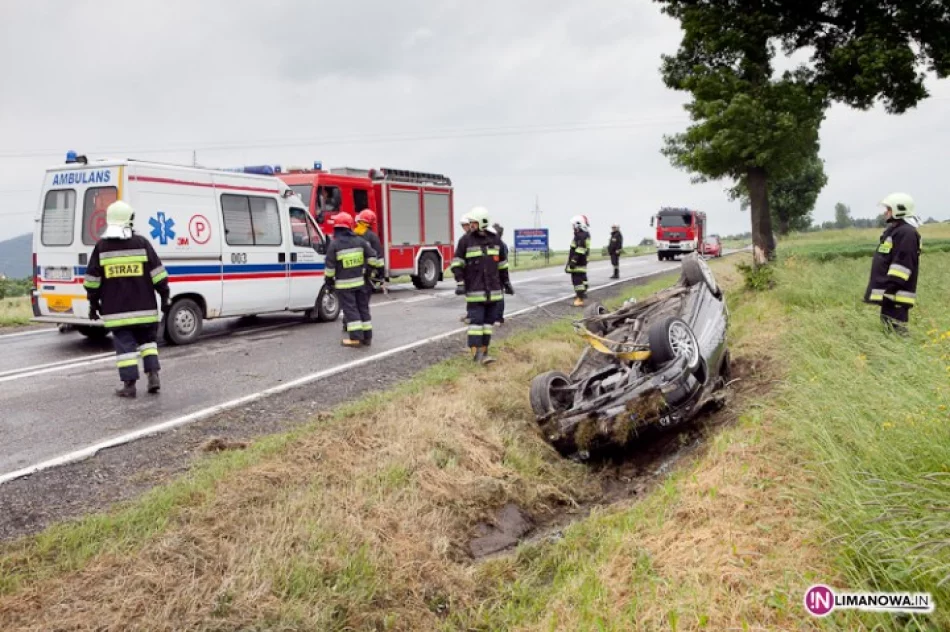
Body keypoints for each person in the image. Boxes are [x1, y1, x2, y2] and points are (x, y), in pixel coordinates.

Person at [83, 200, 170, 398]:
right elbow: (158, 274)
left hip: (117, 311)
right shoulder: (142, 243)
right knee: (148, 344)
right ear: (129, 219)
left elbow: (92, 281)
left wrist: (93, 304)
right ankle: (153, 376)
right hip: (146, 308)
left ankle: (129, 386)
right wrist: (164, 297)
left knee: (125, 349)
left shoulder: (102, 247)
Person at [451, 207, 514, 365]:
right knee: (476, 323)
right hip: (475, 292)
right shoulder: (465, 241)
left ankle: (484, 352)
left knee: (487, 324)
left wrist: (506, 283)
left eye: (473, 223)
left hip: (493, 292)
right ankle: (476, 354)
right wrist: (460, 282)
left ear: (482, 223)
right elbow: (457, 263)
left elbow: (502, 265)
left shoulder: (495, 240)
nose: (470, 226)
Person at [864, 192, 921, 336]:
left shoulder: (906, 233)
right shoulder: (895, 231)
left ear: (898, 209)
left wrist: (891, 286)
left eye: (888, 209)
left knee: (897, 333)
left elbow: (903, 264)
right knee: (889, 331)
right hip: (890, 294)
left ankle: (906, 358)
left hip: (897, 294)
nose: (885, 212)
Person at [324, 212, 377, 347]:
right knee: (362, 309)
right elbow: (373, 257)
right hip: (360, 283)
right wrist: (367, 273)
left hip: (344, 286)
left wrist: (329, 283)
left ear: (337, 228)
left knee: (351, 310)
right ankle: (367, 337)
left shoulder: (334, 245)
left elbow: (330, 269)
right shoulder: (360, 242)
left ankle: (356, 339)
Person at [355, 209, 386, 292]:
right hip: (366, 273)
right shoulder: (372, 237)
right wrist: (381, 276)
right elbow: (379, 259)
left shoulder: (353, 234)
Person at [566, 214, 591, 307]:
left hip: (578, 262)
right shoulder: (584, 234)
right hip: (582, 261)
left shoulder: (580, 235)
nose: (572, 227)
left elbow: (580, 249)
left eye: (573, 225)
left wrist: (573, 261)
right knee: (582, 278)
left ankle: (579, 299)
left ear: (578, 224)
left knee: (577, 281)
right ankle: (582, 294)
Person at [491, 221, 509, 326]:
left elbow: (503, 263)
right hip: (495, 274)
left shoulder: (501, 246)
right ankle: (496, 317)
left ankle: (498, 317)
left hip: (498, 274)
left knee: (499, 296)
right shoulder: (500, 245)